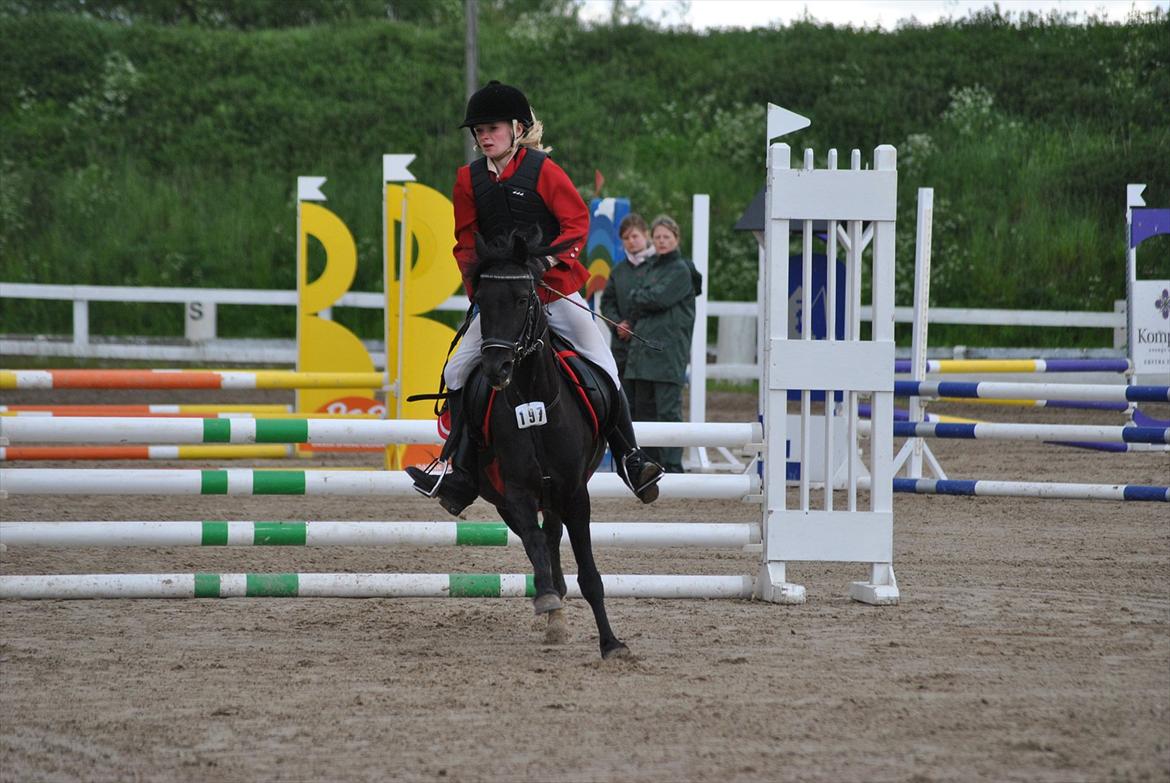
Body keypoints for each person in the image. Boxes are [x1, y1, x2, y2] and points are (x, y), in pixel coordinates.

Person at [407, 80, 663, 515]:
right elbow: (465, 241)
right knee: (456, 370)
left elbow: (576, 224)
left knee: (602, 360)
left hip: (553, 289)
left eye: (491, 128)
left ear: (517, 128)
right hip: (502, 299)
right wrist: (481, 289)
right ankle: (459, 468)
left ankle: (629, 457)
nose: (483, 137)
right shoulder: (467, 180)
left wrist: (547, 265)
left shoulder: (543, 170)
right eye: (478, 131)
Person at [621, 215, 702, 474]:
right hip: (643, 353)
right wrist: (641, 296)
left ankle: (673, 465)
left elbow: (656, 298)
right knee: (643, 411)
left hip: (667, 354)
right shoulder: (652, 266)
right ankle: (650, 465)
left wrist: (641, 296)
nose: (661, 241)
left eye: (666, 237)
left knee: (667, 411)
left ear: (676, 238)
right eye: (657, 237)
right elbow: (636, 296)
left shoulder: (681, 269)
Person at [599, 213, 654, 401]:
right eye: (626, 238)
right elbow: (607, 303)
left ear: (646, 235)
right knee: (625, 403)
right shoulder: (618, 271)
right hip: (622, 349)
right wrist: (618, 324)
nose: (631, 242)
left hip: (648, 348)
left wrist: (634, 326)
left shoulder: (658, 267)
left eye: (635, 236)